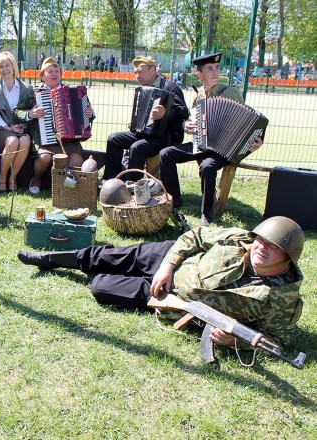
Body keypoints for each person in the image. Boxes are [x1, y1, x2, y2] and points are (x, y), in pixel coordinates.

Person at [17, 216, 305, 350]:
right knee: (105, 256)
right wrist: (167, 266)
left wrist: (236, 342)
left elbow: (277, 342)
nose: (260, 248)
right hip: (169, 261)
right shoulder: (241, 237)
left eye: (272, 247)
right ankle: (49, 259)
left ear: (287, 257)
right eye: (261, 240)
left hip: (176, 302)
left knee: (100, 288)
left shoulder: (283, 297)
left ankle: (100, 275)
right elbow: (196, 236)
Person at [159, 52, 263, 227]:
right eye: (210, 69)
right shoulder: (198, 95)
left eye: (217, 68)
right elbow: (191, 120)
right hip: (202, 143)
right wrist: (186, 125)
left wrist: (256, 142)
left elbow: (249, 121)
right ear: (199, 74)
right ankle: (174, 203)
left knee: (207, 166)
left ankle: (206, 216)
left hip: (225, 148)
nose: (215, 72)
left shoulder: (231, 92)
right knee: (166, 154)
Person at [14, 57, 94, 194]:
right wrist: (30, 114)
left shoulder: (72, 92)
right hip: (43, 137)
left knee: (76, 159)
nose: (54, 74)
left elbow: (87, 113)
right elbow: (17, 111)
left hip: (68, 138)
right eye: (50, 71)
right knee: (44, 158)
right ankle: (37, 178)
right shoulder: (34, 93)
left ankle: (67, 187)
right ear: (42, 77)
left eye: (57, 71)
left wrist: (89, 113)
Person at [102, 55, 188, 183]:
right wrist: (135, 123)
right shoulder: (142, 89)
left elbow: (184, 112)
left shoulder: (170, 87)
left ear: (152, 70)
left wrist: (166, 114)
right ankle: (112, 183)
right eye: (135, 72)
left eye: (140, 72)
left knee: (137, 147)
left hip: (167, 136)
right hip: (145, 134)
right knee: (113, 139)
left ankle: (131, 187)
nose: (136, 76)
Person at [0, 51, 32, 193]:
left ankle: (13, 177)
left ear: (14, 67)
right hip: (1, 128)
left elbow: (28, 112)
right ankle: (2, 177)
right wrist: (8, 127)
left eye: (8, 65)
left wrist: (22, 125)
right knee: (12, 141)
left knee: (25, 141)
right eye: (1, 66)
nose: (5, 69)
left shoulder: (26, 88)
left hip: (20, 128)